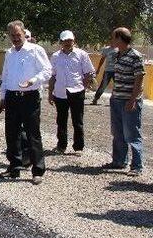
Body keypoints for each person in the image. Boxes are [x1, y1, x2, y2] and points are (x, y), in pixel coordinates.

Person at [0, 20, 52, 184]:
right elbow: (6, 76)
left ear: (24, 34)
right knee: (12, 133)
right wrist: (3, 97)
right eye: (12, 36)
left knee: (32, 134)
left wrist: (33, 80)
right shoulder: (9, 53)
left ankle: (38, 170)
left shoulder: (36, 50)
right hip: (12, 97)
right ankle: (14, 168)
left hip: (30, 96)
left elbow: (48, 70)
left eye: (18, 35)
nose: (16, 38)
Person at [103, 27, 145, 177]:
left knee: (132, 133)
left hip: (129, 100)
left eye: (113, 37)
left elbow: (139, 80)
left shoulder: (135, 56)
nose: (111, 40)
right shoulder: (116, 55)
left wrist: (133, 99)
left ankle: (137, 165)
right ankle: (119, 161)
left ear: (120, 38)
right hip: (117, 98)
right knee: (118, 131)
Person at [48, 30, 95, 155]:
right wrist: (50, 93)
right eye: (65, 41)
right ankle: (61, 145)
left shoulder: (82, 54)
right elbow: (52, 76)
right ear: (61, 42)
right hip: (60, 92)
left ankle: (78, 147)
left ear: (74, 41)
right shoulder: (55, 56)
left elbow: (89, 72)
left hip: (77, 91)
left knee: (77, 120)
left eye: (70, 40)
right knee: (61, 120)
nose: (68, 43)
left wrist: (84, 86)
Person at [91, 40, 117, 105]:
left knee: (117, 86)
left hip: (117, 71)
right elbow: (102, 59)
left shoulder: (119, 49)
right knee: (103, 85)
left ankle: (114, 101)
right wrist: (98, 69)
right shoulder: (106, 49)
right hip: (108, 71)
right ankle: (95, 99)